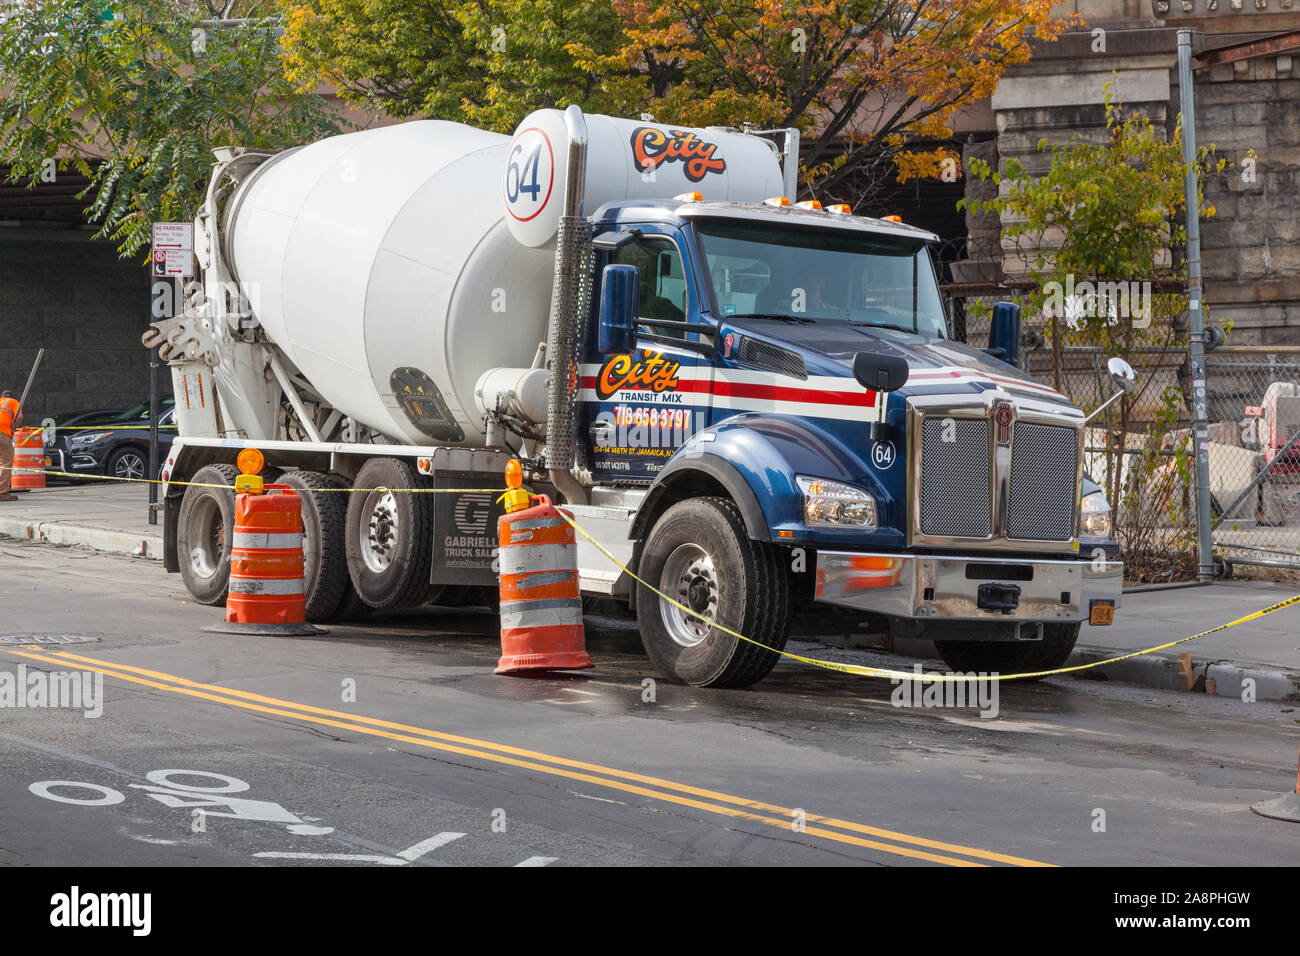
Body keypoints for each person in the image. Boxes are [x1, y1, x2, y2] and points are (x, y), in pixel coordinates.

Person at [0, 389, 21, 501]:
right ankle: (2, 493)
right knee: (5, 462)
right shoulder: (13, 402)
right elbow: (19, 417)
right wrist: (13, 430)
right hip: (2, 433)